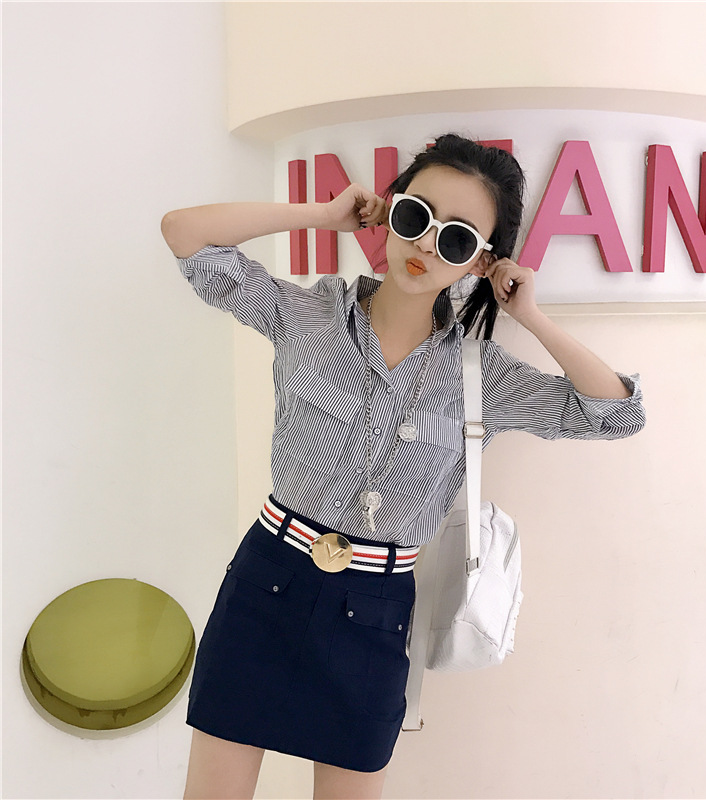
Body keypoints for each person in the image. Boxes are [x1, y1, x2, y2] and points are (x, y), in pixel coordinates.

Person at [160, 133, 646, 800]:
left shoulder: (480, 376)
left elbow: (616, 413)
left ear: (481, 260)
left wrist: (529, 314)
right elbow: (185, 235)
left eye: (456, 238)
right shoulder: (310, 315)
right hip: (266, 583)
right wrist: (321, 215)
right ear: (389, 213)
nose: (426, 246)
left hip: (375, 609)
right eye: (416, 216)